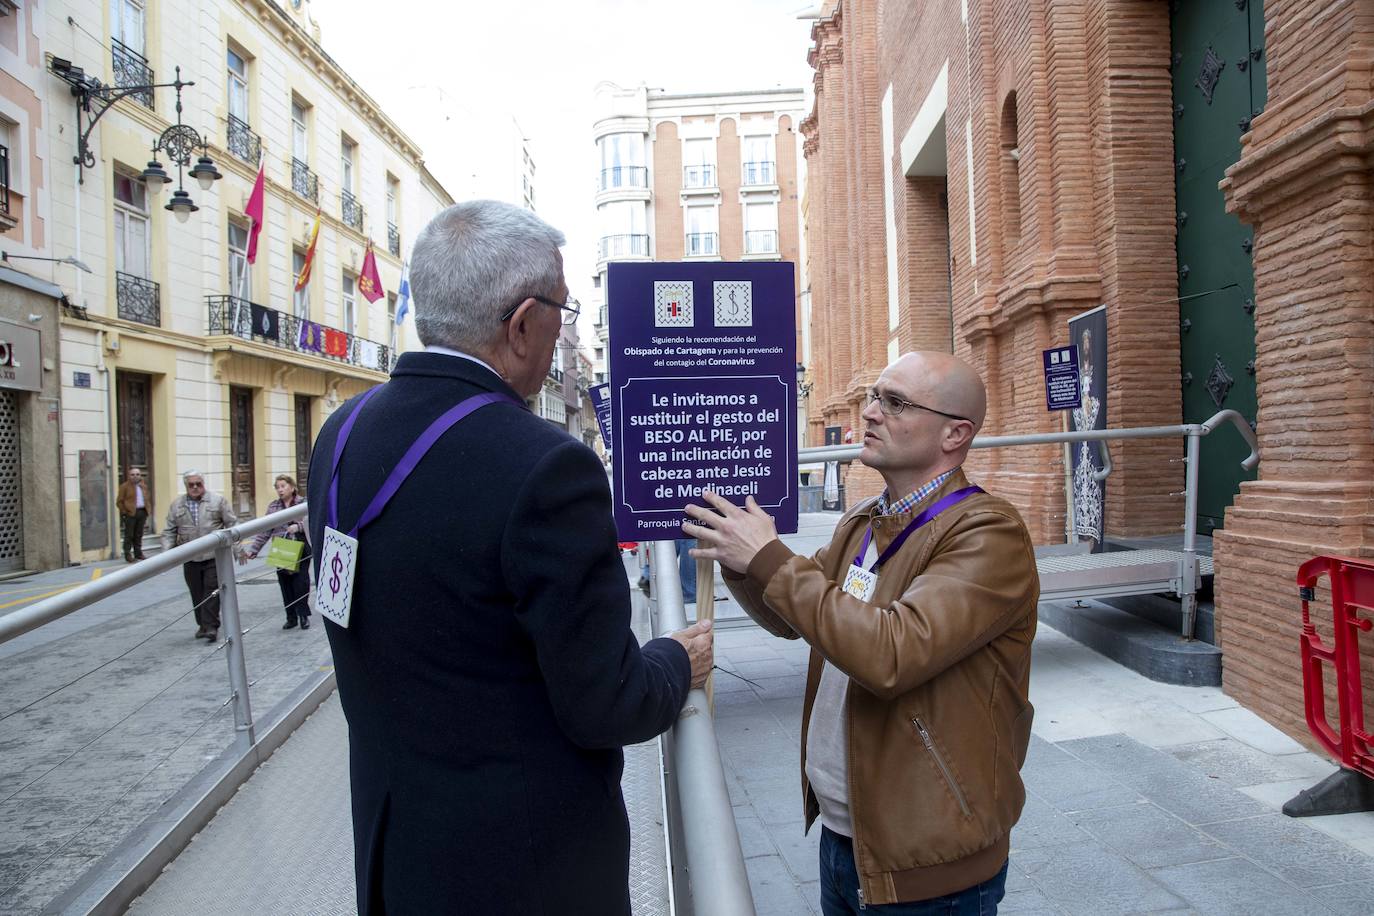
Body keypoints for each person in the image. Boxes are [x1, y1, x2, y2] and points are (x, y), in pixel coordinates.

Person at [308, 199, 714, 916]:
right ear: (525, 322)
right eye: (564, 309)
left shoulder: (341, 435)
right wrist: (676, 660)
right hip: (526, 871)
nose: (565, 327)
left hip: (393, 852)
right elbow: (607, 703)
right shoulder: (547, 467)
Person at [685, 351, 1039, 915]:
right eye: (875, 396)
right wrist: (742, 558)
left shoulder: (988, 533)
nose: (870, 412)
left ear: (956, 434)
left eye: (895, 403)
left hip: (930, 863)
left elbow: (890, 653)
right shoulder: (865, 522)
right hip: (847, 838)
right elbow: (790, 616)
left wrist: (770, 558)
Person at [161, 470, 238, 643]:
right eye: (191, 485)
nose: (195, 488)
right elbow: (169, 531)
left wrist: (237, 549)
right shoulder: (177, 505)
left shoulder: (218, 501)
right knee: (196, 593)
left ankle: (211, 626)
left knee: (211, 591)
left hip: (213, 555)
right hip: (190, 556)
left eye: (199, 484)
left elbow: (231, 524)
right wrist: (165, 557)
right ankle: (202, 625)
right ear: (186, 486)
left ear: (203, 483)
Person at [246, 474, 312, 630]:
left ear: (292, 487)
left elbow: (311, 520)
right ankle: (291, 617)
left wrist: (299, 527)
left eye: (283, 486)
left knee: (301, 582)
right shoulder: (274, 507)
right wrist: (254, 549)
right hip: (282, 548)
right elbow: (265, 530)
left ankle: (303, 615)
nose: (280, 490)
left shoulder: (302, 503)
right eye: (278, 487)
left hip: (300, 546)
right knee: (285, 583)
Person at [116, 467, 151, 562]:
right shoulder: (124, 486)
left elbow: (147, 498)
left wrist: (147, 510)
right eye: (133, 474)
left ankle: (138, 553)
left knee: (139, 534)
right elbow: (119, 502)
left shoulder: (143, 486)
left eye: (137, 474)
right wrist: (124, 512)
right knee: (129, 535)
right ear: (129, 476)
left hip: (142, 512)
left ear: (140, 476)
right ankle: (127, 554)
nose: (135, 476)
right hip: (130, 513)